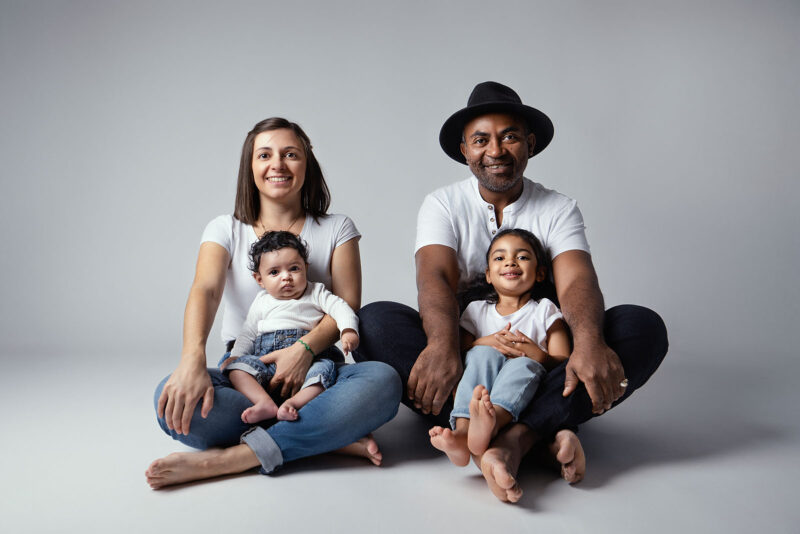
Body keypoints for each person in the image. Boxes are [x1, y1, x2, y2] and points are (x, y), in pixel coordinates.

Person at [354, 82, 668, 502]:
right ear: (465, 150)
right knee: (374, 321)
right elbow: (435, 280)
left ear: (530, 144)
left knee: (641, 327)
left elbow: (577, 281)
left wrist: (589, 344)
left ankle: (508, 440)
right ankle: (542, 427)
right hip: (468, 353)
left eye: (510, 136)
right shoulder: (442, 204)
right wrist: (446, 347)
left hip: (539, 352)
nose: (496, 151)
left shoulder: (558, 207)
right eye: (481, 140)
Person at [146, 117, 400, 489]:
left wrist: (303, 350)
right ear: (250, 167)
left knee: (383, 381)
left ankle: (238, 457)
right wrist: (192, 361)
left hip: (317, 372)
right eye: (264, 155)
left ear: (306, 165)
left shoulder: (337, 228)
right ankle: (326, 437)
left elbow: (346, 303)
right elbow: (205, 289)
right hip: (250, 372)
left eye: (290, 154)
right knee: (167, 396)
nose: (277, 164)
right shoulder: (225, 228)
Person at [429, 228, 571, 467]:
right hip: (482, 379)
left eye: (523, 257)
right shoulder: (476, 310)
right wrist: (487, 341)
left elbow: (564, 358)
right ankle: (463, 434)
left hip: (523, 384)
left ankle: (491, 424)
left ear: (540, 273)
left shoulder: (544, 310)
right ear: (488, 275)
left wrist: (540, 356)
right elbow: (459, 352)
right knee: (480, 354)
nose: (510, 262)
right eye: (499, 257)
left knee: (524, 363)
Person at [220, 231, 360, 424]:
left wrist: (348, 330)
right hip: (267, 363)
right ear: (259, 279)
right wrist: (236, 355)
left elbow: (341, 307)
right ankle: (264, 403)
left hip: (310, 361)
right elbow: (248, 333)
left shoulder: (316, 292)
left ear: (305, 268)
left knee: (323, 373)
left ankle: (293, 404)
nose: (286, 277)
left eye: (294, 268)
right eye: (274, 272)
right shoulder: (262, 301)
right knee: (235, 368)